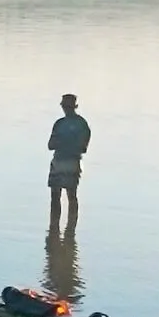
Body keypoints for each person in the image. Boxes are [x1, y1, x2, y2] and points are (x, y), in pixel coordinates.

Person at [47, 94, 91, 224]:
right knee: (70, 196)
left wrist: (62, 142)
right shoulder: (82, 124)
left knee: (59, 197)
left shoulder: (60, 124)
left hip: (61, 162)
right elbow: (83, 147)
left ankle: (56, 228)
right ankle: (69, 230)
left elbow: (51, 145)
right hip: (69, 162)